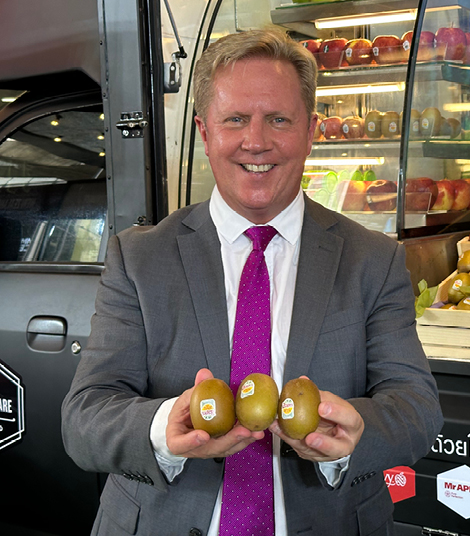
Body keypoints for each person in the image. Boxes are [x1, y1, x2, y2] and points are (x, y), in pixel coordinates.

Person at [61, 27, 443, 536]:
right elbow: (84, 417)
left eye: (278, 119)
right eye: (235, 119)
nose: (256, 141)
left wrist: (354, 435)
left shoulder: (372, 260)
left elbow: (416, 406)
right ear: (204, 132)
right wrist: (163, 430)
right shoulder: (140, 257)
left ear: (310, 131)